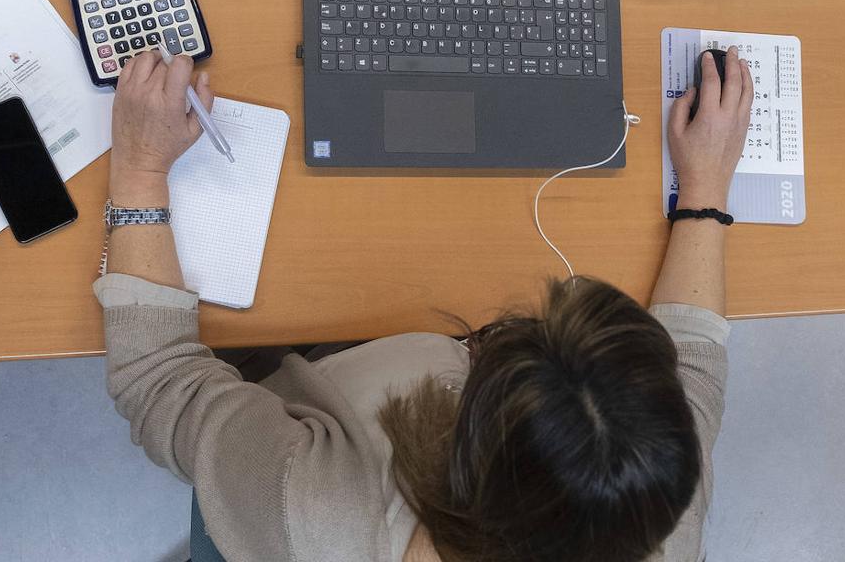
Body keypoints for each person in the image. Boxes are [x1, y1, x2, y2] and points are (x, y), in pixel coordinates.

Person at [96, 47, 753, 562]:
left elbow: (161, 384)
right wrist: (704, 191)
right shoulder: (649, 501)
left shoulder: (312, 511)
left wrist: (141, 167)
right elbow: (692, 369)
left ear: (459, 445)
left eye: (500, 347)